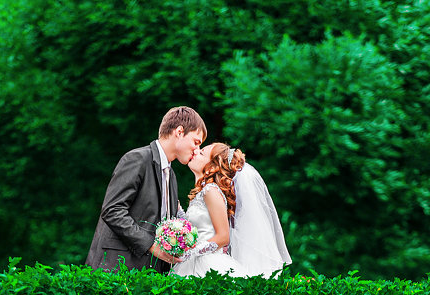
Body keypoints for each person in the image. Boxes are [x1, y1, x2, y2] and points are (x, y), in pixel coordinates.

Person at [85, 106, 206, 272]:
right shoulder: (137, 159)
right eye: (196, 142)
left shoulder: (172, 175)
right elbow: (112, 210)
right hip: (117, 269)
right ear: (179, 132)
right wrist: (151, 245)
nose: (197, 150)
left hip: (149, 276)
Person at [173, 143, 291, 278]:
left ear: (212, 166)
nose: (196, 152)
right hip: (196, 259)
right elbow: (199, 228)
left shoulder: (210, 190)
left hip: (205, 263)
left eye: (202, 153)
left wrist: (190, 253)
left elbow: (223, 237)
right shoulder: (203, 192)